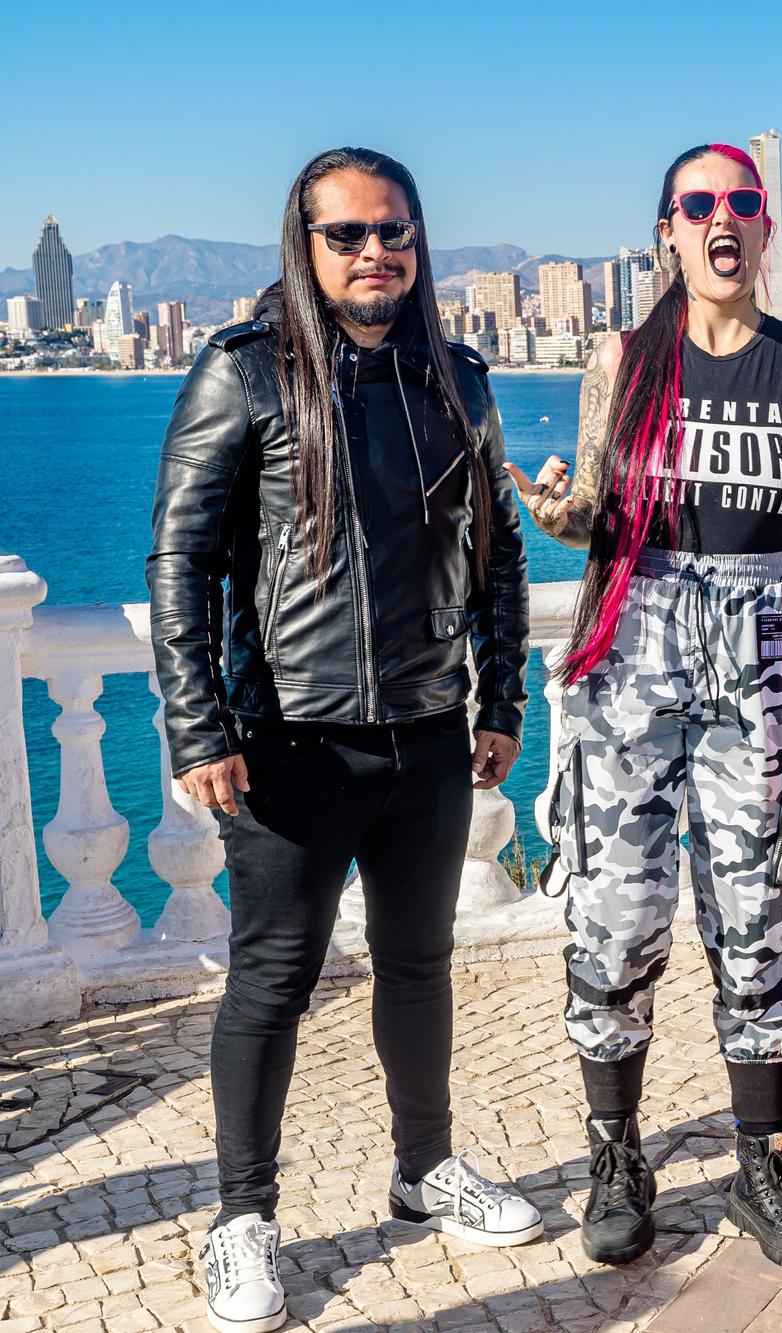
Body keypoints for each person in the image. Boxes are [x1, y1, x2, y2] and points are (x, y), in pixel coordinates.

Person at [149, 146, 541, 1333]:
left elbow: (502, 556)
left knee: (421, 964)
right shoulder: (244, 378)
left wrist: (500, 701)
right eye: (349, 236)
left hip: (425, 737)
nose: (376, 253)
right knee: (273, 977)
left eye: (396, 233)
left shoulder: (456, 383)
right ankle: (242, 1219)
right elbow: (184, 560)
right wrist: (196, 723)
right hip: (288, 747)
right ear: (306, 246)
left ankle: (425, 1170)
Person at [508, 142, 782, 1274]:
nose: (720, 219)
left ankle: (756, 1164)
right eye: (696, 204)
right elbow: (592, 510)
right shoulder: (621, 360)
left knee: (756, 908)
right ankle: (614, 1154)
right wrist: (554, 515)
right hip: (631, 650)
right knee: (616, 916)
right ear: (666, 231)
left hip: (758, 645)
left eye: (740, 201)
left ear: (764, 229)